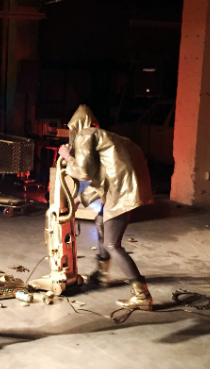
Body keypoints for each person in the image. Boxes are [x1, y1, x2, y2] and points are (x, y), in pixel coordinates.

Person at [57, 105, 155, 310]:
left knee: (112, 244)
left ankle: (142, 294)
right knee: (100, 221)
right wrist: (80, 199)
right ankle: (101, 274)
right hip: (125, 188)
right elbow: (100, 176)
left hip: (121, 192)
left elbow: (83, 172)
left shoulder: (85, 134)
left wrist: (67, 156)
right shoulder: (107, 137)